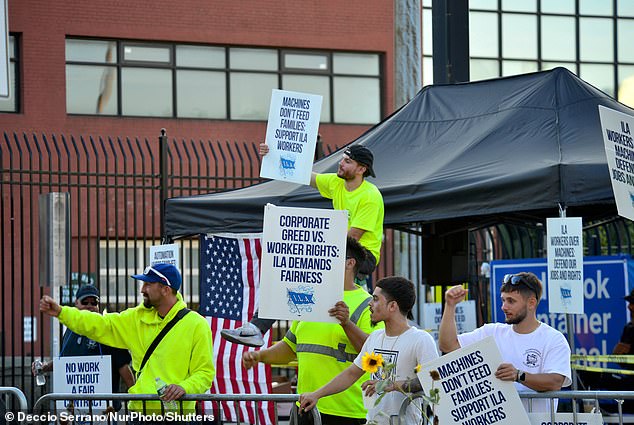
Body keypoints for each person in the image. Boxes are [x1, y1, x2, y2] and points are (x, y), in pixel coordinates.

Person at [222, 143, 385, 347]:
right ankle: (257, 328)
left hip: (362, 255)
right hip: (339, 250)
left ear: (362, 169)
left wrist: (313, 249)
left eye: (348, 161)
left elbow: (353, 238)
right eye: (343, 159)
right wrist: (273, 155)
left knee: (301, 270)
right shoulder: (336, 183)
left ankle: (257, 328)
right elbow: (301, 174)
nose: (341, 164)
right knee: (291, 272)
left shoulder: (370, 196)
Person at [39, 263, 215, 413]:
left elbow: (205, 373)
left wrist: (185, 387)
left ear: (165, 289)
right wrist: (62, 312)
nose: (142, 290)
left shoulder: (196, 324)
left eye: (148, 284)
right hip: (139, 413)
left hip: (178, 416)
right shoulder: (135, 318)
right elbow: (101, 324)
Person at [242, 237, 382, 425]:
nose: (323, 261)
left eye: (330, 256)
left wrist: (347, 323)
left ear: (350, 263)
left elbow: (373, 356)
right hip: (305, 406)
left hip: (347, 412)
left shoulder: (367, 305)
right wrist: (259, 356)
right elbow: (290, 348)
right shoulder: (311, 298)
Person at [299, 276, 439, 425]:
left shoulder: (420, 339)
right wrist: (316, 395)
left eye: (376, 299)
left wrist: (392, 385)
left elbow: (433, 380)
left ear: (392, 306)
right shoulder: (375, 337)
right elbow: (352, 373)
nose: (370, 304)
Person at [438, 272, 572, 413]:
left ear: (531, 303)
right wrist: (450, 305)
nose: (504, 306)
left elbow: (555, 382)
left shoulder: (553, 339)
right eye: (503, 300)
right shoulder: (492, 332)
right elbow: (448, 345)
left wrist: (518, 375)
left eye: (511, 301)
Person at [32, 285, 135, 406]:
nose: (90, 306)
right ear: (76, 303)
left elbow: (124, 368)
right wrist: (45, 367)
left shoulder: (106, 330)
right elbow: (66, 360)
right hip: (73, 409)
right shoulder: (70, 331)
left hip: (104, 409)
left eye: (94, 302)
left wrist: (137, 400)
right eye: (85, 302)